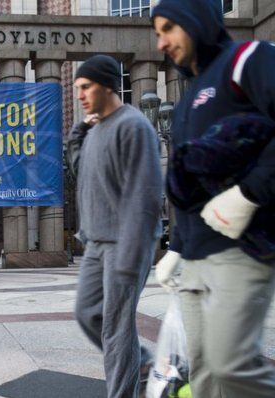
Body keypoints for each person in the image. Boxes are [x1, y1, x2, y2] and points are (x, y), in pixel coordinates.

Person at [152, 0, 275, 396]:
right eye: (157, 32)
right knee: (204, 374)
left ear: (196, 21)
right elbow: (192, 184)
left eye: (169, 28)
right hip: (194, 258)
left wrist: (250, 192)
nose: (161, 42)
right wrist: (177, 247)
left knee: (230, 366)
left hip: (241, 249)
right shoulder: (189, 99)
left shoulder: (249, 60)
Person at [68, 54, 163, 398]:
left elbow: (147, 195)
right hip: (96, 242)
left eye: (86, 87)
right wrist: (80, 131)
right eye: (77, 88)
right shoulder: (96, 131)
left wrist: (131, 252)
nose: (80, 94)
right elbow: (83, 170)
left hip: (125, 242)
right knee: (87, 313)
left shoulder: (134, 126)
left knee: (116, 327)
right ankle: (143, 365)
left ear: (108, 85)